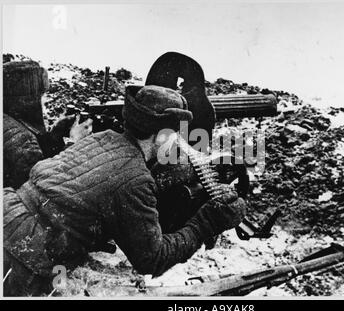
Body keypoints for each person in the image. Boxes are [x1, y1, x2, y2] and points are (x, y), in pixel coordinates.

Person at [3, 85, 247, 296]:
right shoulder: (135, 180)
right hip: (23, 256)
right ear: (162, 136)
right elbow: (152, 259)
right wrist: (207, 222)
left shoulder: (101, 139)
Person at [3, 60, 92, 189]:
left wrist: (54, 135)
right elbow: (47, 184)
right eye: (43, 93)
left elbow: (38, 161)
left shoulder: (8, 120)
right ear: (28, 98)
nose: (46, 99)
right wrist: (74, 143)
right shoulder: (23, 140)